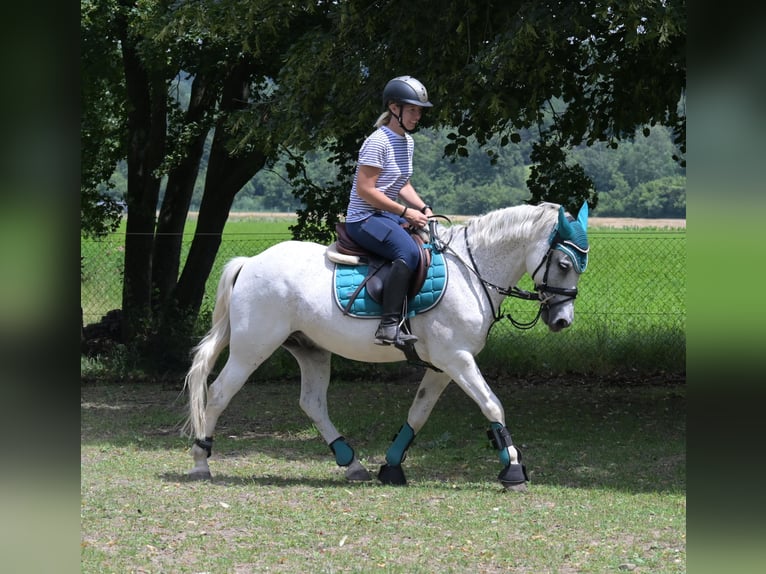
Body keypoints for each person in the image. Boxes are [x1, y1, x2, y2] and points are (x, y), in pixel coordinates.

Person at [344, 75, 435, 346]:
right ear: (394, 108)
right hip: (364, 218)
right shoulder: (377, 142)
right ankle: (389, 325)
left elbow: (402, 183)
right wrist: (406, 213)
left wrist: (423, 207)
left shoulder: (407, 142)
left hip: (385, 215)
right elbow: (366, 190)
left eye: (419, 111)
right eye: (412, 110)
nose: (417, 116)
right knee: (407, 252)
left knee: (428, 245)